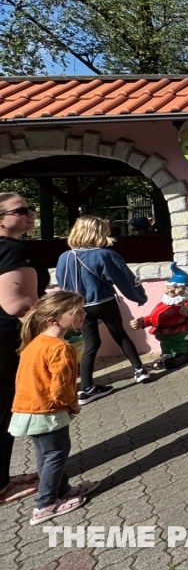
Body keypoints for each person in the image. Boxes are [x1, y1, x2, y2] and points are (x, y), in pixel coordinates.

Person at [9, 291, 96, 525]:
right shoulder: (60, 348)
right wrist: (73, 404)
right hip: (47, 412)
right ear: (53, 320)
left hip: (28, 411)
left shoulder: (35, 343)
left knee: (46, 455)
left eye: (83, 309)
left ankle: (62, 490)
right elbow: (60, 390)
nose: (83, 314)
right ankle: (45, 504)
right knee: (56, 454)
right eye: (77, 311)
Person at [55, 216, 149, 404]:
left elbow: (61, 281)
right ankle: (140, 370)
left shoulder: (65, 256)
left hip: (79, 306)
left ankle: (86, 388)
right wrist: (140, 297)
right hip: (104, 302)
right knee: (120, 335)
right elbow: (125, 279)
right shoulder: (105, 254)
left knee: (91, 344)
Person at [0, 193, 48, 505]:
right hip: (6, 342)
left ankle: (3, 479)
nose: (30, 213)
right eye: (20, 210)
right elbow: (17, 305)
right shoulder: (11, 249)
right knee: (3, 409)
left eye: (30, 207)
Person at [129, 264, 188, 370]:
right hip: (163, 332)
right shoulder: (162, 305)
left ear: (187, 290)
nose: (171, 291)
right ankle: (167, 355)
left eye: (177, 288)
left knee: (178, 344)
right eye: (169, 288)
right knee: (165, 344)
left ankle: (184, 354)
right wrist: (141, 322)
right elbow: (153, 317)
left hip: (181, 331)